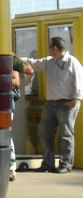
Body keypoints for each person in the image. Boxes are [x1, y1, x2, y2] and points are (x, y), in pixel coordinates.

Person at [20, 37, 83, 173]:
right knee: (44, 131)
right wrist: (16, 57)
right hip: (51, 103)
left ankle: (65, 164)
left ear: (55, 48)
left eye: (50, 47)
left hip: (67, 102)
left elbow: (79, 80)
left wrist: (76, 99)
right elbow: (34, 62)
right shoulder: (50, 61)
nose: (49, 50)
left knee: (66, 134)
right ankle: (48, 163)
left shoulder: (72, 62)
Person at [10, 57, 34, 181]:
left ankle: (11, 167)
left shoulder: (10, 59)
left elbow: (17, 80)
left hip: (5, 100)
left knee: (5, 133)